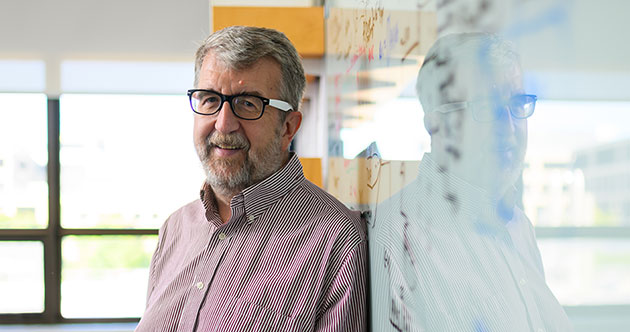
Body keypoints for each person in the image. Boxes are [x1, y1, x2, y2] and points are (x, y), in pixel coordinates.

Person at [136, 26, 367, 332]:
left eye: (247, 103)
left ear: (288, 127)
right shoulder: (175, 228)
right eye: (209, 99)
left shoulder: (336, 241)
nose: (224, 123)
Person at [368, 33, 572, 331]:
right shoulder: (392, 241)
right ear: (436, 123)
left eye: (517, 103)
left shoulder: (518, 226)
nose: (509, 127)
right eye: (486, 107)